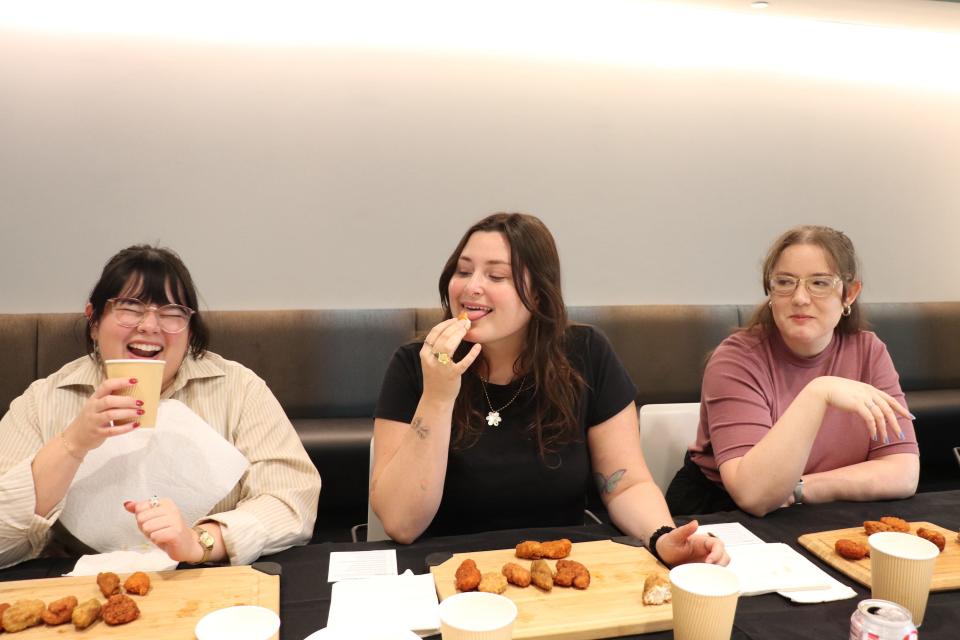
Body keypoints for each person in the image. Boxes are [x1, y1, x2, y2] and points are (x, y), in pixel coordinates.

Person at [372, 213, 727, 566]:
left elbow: (625, 484)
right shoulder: (415, 365)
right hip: (446, 571)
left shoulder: (586, 353)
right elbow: (402, 524)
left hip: (561, 571)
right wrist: (437, 397)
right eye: (463, 271)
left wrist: (662, 538)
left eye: (496, 275)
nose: (470, 287)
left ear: (539, 296)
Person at [0, 245, 320, 569]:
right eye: (129, 307)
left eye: (171, 313)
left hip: (211, 582)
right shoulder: (43, 401)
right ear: (94, 321)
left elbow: (292, 501)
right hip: (81, 591)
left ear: (190, 330)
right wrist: (72, 443)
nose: (150, 326)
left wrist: (201, 541)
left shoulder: (238, 389)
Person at [666, 225, 919, 517]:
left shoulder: (869, 351)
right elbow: (755, 495)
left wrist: (801, 488)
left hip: (813, 508)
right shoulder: (736, 358)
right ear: (770, 291)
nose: (800, 297)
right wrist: (818, 392)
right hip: (721, 512)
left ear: (849, 294)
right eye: (785, 282)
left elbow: (903, 470)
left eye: (820, 283)